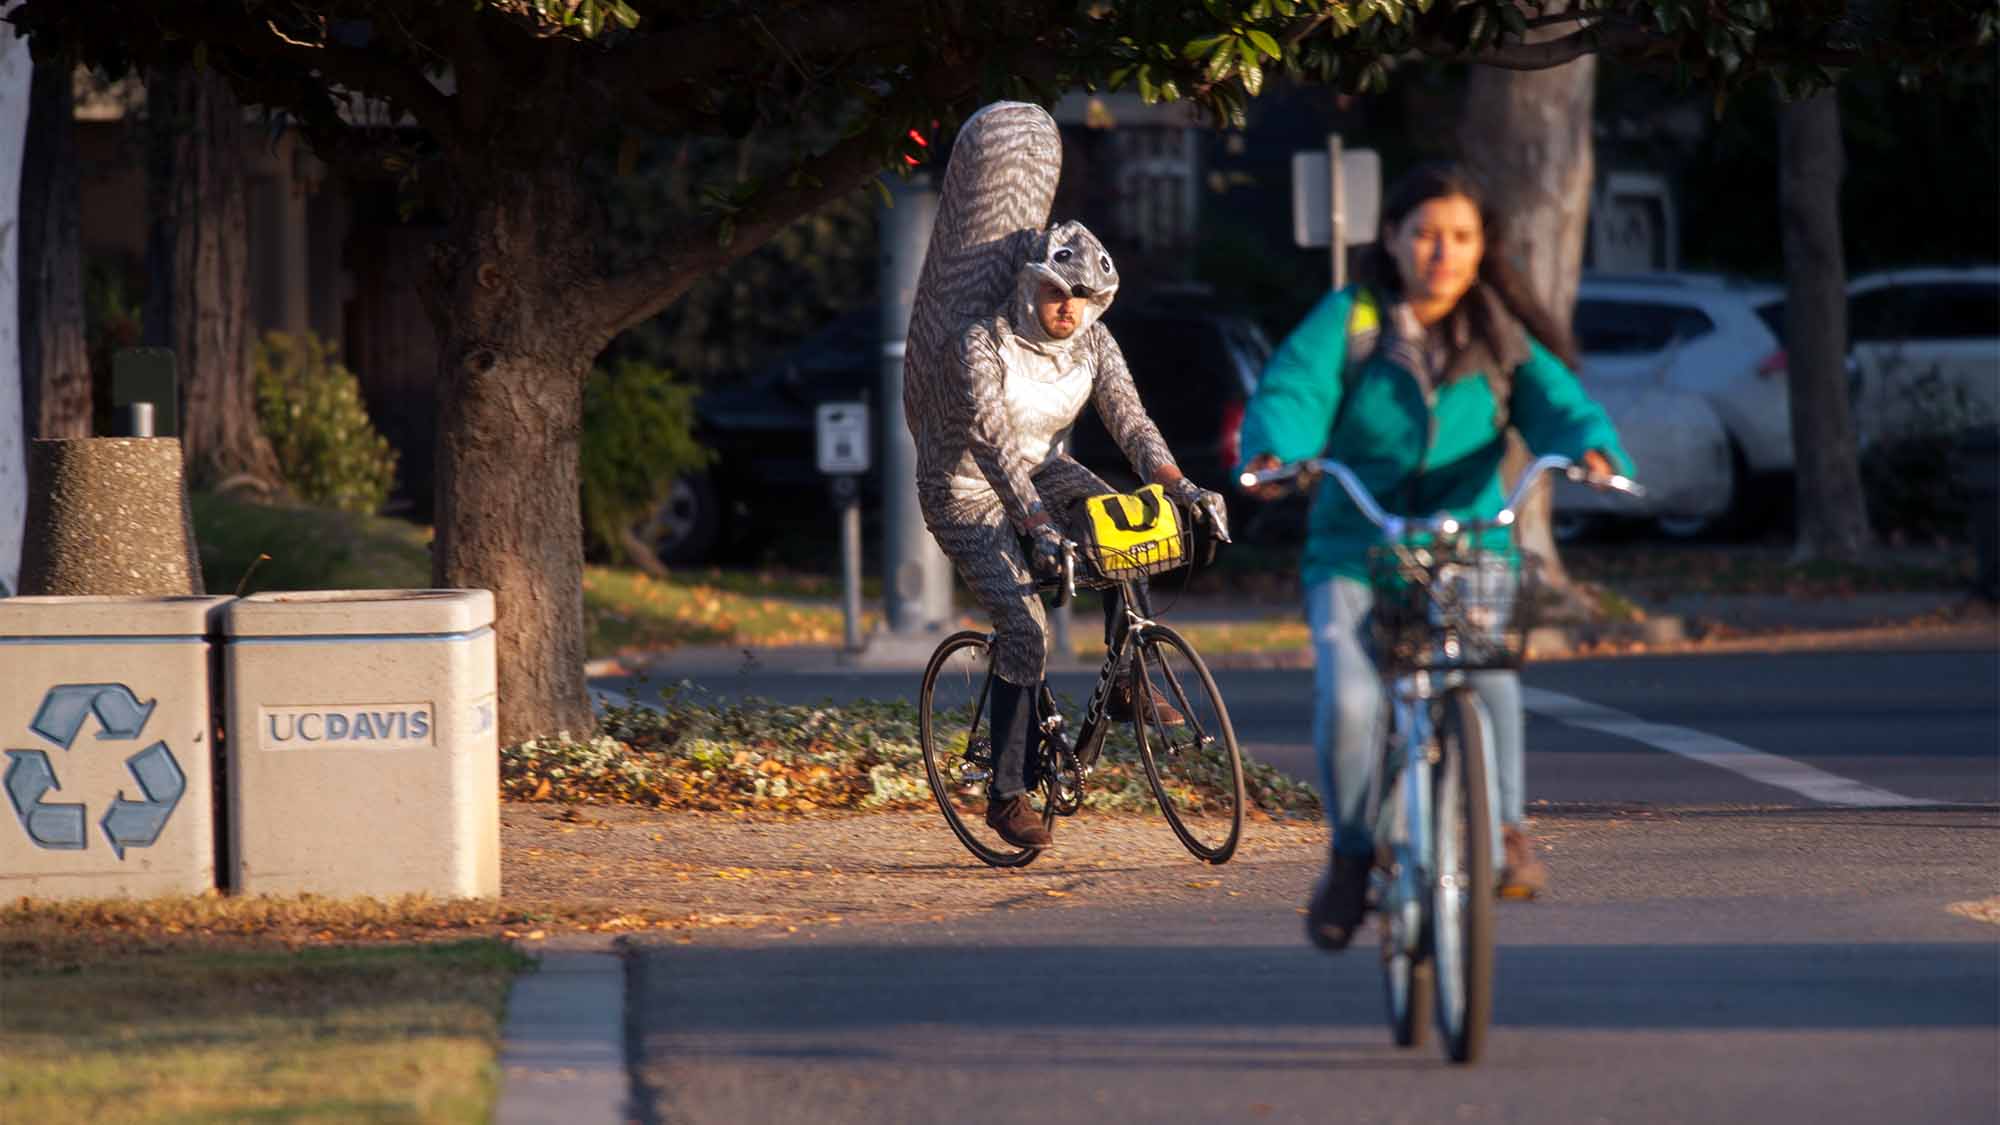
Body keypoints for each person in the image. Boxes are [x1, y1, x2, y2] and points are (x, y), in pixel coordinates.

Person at [1236, 162, 1632, 950]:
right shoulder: (1352, 318)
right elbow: (1293, 390)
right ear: (1391, 238)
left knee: (1488, 679)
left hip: (1469, 542)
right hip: (1358, 546)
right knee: (1351, 702)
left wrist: (1588, 448)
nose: (1440, 254)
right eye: (1423, 234)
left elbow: (1557, 403)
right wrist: (1278, 453)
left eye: (1459, 237)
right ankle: (1352, 855)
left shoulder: (1497, 330)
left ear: (1483, 247)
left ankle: (1507, 830)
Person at [913, 219, 1228, 851]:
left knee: (1122, 521)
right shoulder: (984, 344)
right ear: (1031, 287)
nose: (1069, 307)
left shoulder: (1094, 342)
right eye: (1057, 291)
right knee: (1026, 627)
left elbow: (1131, 422)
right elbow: (994, 444)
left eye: (1082, 296)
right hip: (964, 485)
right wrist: (1036, 528)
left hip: (1046, 468)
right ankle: (1006, 796)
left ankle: (1127, 680)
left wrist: (1181, 487)